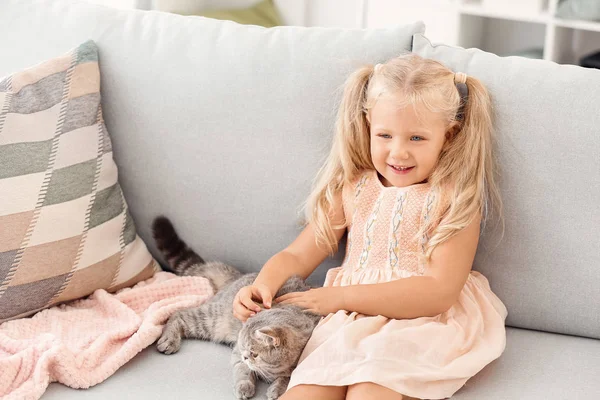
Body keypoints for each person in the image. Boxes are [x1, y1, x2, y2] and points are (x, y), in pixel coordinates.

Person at [232, 53, 508, 400]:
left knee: (370, 390)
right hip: (350, 321)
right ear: (367, 126)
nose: (398, 153)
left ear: (448, 136)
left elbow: (439, 292)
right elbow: (297, 253)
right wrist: (262, 285)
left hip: (421, 321)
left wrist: (338, 297)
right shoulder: (354, 188)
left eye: (417, 138)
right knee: (308, 392)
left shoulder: (455, 199)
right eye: (385, 135)